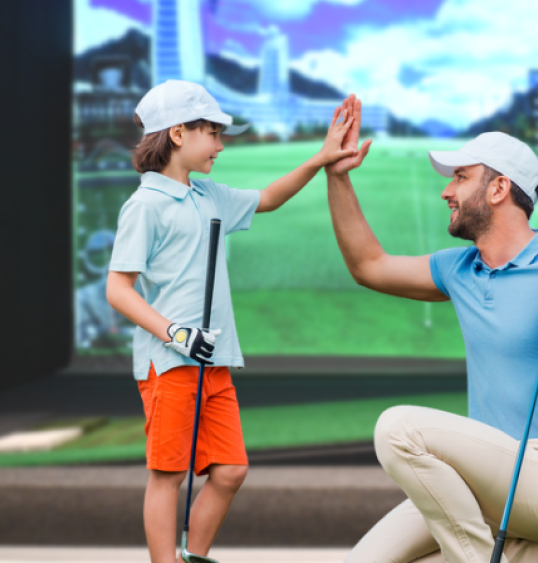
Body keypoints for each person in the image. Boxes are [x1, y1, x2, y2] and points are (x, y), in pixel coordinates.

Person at [324, 96, 538, 563]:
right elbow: (369, 266)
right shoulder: (460, 269)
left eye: (460, 177)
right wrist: (338, 175)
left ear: (498, 189)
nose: (447, 191)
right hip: (485, 484)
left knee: (398, 428)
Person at [106, 80, 359, 563]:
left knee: (230, 472)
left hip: (214, 359)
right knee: (169, 474)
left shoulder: (210, 196)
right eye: (212, 133)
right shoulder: (144, 205)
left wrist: (322, 158)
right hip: (171, 360)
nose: (220, 145)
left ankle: (190, 557)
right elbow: (118, 290)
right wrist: (176, 332)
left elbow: (268, 198)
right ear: (178, 134)